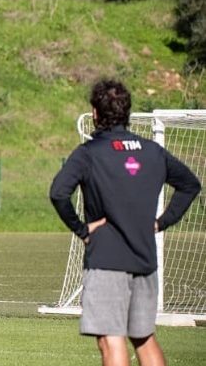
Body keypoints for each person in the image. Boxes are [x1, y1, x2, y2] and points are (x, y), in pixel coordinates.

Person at [49, 79, 201, 366]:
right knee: (144, 339)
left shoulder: (89, 153)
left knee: (111, 339)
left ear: (95, 112)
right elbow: (190, 185)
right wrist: (161, 223)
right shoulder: (152, 151)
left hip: (107, 260)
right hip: (144, 259)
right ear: (127, 112)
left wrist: (81, 230)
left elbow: (58, 193)